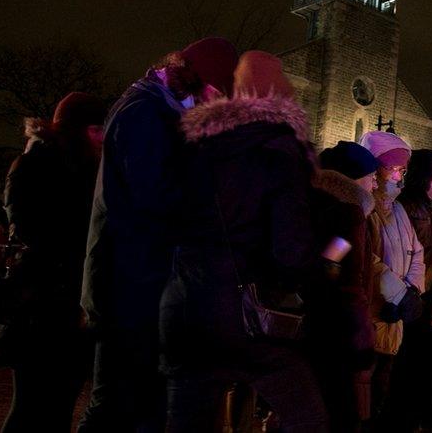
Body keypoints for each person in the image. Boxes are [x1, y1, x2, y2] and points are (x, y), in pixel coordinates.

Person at [160, 50, 327, 431]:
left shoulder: (192, 144)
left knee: (187, 422)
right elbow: (292, 248)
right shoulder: (279, 149)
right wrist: (315, 276)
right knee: (308, 418)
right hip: (246, 313)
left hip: (186, 308)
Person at [80, 38, 238, 433]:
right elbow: (154, 197)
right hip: (129, 283)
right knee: (118, 404)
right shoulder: (145, 113)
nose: (216, 104)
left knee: (136, 403)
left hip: (141, 278)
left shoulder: (160, 111)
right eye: (217, 92)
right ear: (194, 79)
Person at [0, 92, 107, 432]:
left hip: (55, 301)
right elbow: (35, 231)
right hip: (43, 303)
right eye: (99, 130)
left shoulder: (54, 165)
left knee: (53, 404)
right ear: (85, 130)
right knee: (34, 405)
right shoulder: (44, 167)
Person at [379, 149, 432, 431]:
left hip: (429, 303)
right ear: (425, 177)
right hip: (408, 305)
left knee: (427, 374)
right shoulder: (407, 207)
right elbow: (398, 257)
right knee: (405, 378)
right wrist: (411, 297)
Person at [312, 141, 383, 428]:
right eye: (372, 176)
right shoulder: (348, 216)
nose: (377, 183)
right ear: (353, 178)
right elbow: (345, 276)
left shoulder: (319, 205)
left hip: (318, 327)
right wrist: (361, 333)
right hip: (338, 332)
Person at [357, 131, 425, 429]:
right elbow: (366, 260)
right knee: (364, 392)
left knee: (384, 387)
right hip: (372, 314)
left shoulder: (397, 209)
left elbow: (416, 253)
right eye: (390, 169)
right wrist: (396, 294)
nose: (397, 176)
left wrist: (411, 291)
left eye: (402, 170)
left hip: (395, 316)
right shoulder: (364, 208)